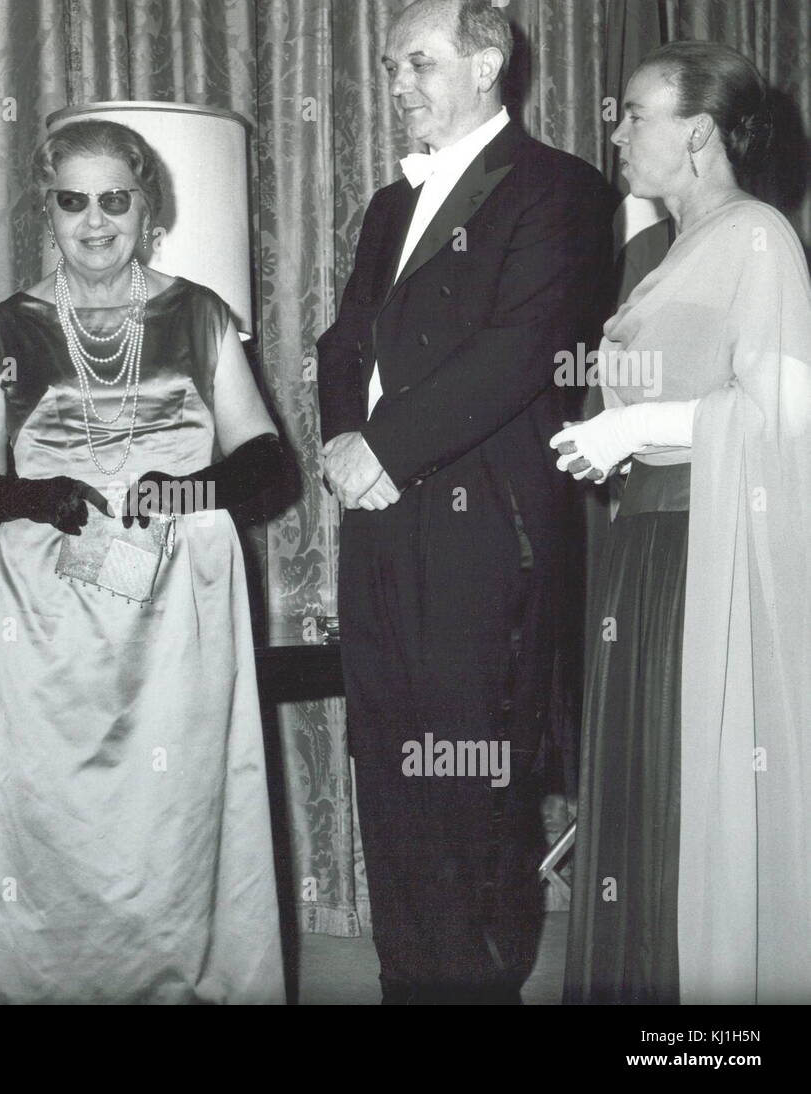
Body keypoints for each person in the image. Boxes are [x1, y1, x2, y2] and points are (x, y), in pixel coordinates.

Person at [315, 0, 615, 1003]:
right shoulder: (388, 208)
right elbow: (341, 343)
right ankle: (409, 978)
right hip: (380, 520)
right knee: (390, 764)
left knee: (473, 778)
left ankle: (476, 988)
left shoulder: (558, 188)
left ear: (486, 63)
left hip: (486, 530)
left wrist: (384, 446)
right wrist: (340, 442)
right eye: (390, 66)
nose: (396, 85)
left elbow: (520, 350)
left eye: (416, 63)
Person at [0, 118, 286, 1003]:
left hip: (182, 602)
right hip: (58, 613)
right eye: (73, 202)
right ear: (47, 211)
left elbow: (268, 465)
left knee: (176, 815)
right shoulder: (2, 329)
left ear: (148, 208)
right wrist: (39, 496)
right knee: (61, 816)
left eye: (115, 200)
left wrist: (184, 493)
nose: (94, 222)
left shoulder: (201, 314)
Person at [555, 40, 811, 1005]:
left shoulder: (758, 238)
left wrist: (645, 423)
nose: (616, 132)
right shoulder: (673, 252)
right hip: (647, 556)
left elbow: (789, 418)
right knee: (644, 803)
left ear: (698, 132)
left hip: (713, 550)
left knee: (692, 808)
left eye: (633, 114)